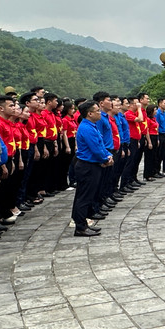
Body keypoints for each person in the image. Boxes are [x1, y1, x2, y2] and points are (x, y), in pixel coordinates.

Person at [71, 99, 110, 236]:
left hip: (92, 165)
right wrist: (105, 159)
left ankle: (82, 223)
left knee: (86, 195)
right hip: (87, 166)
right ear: (89, 114)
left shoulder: (91, 126)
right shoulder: (87, 128)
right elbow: (95, 149)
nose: (100, 113)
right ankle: (80, 227)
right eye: (97, 111)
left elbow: (100, 144)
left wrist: (108, 155)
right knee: (84, 197)